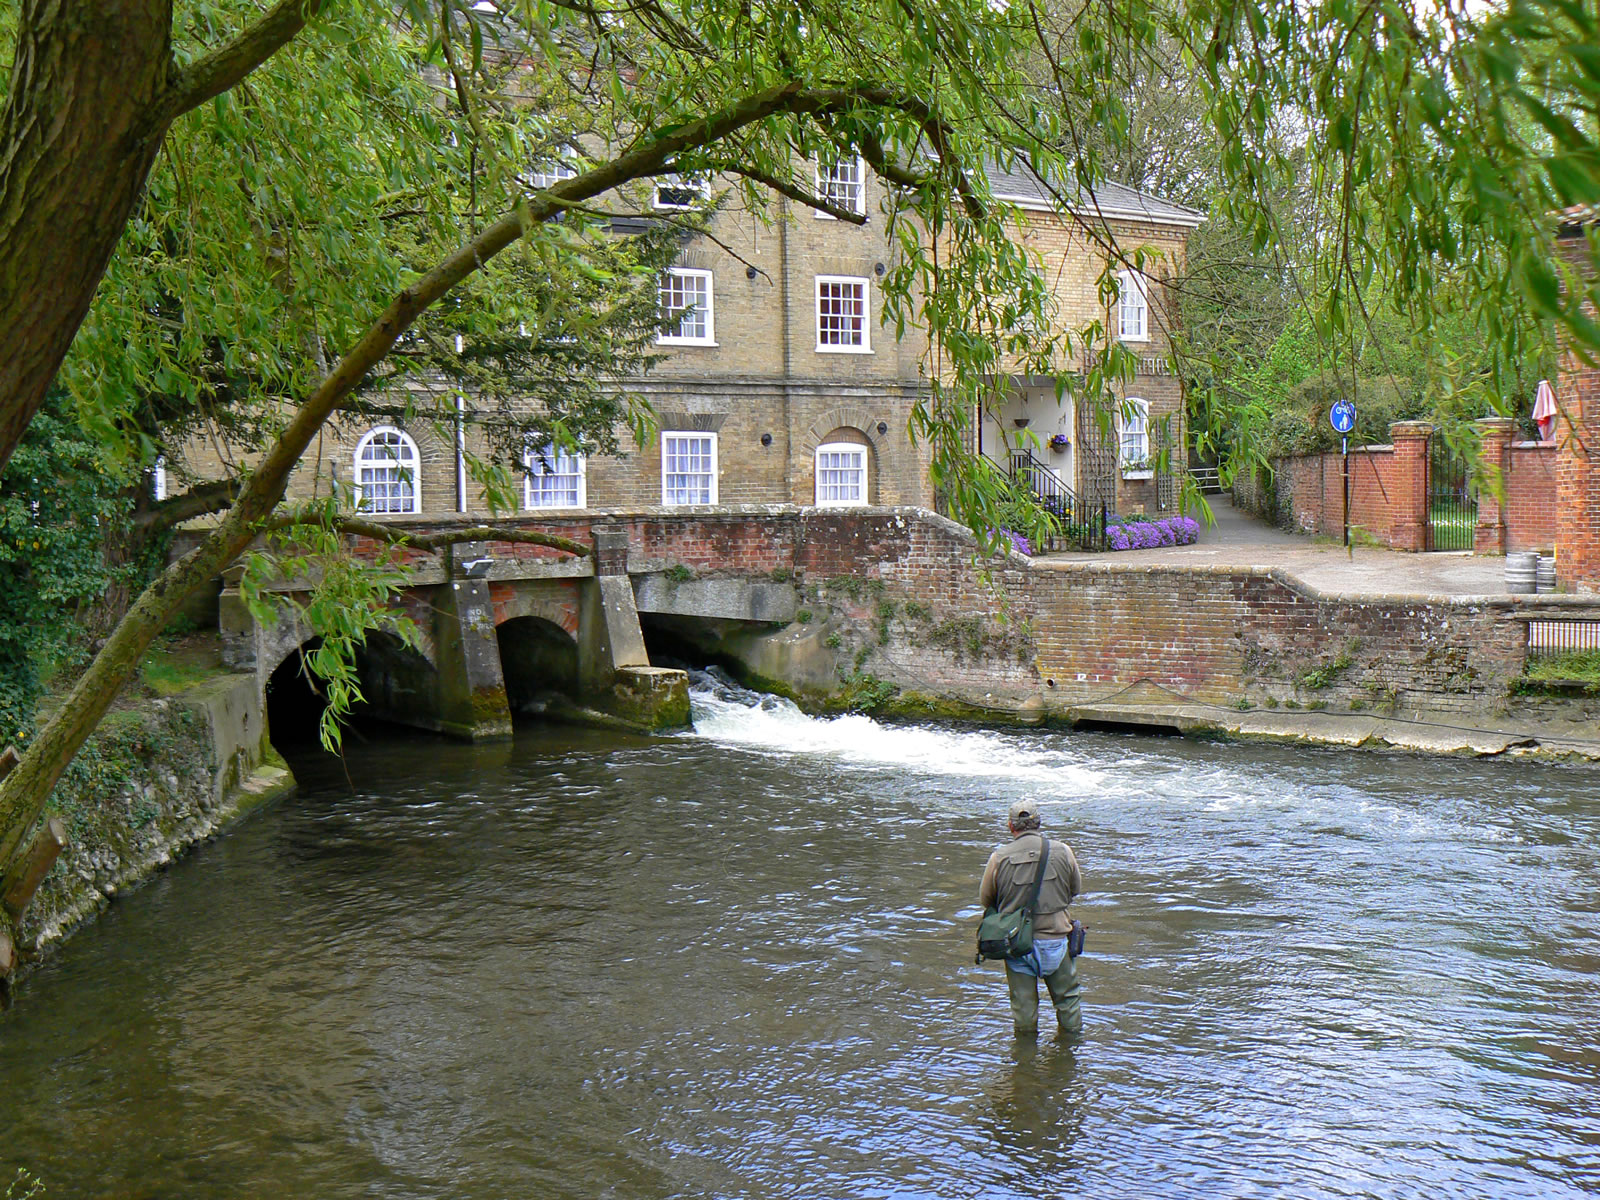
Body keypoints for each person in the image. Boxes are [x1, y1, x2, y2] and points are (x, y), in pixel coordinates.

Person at [978, 798, 1083, 1037]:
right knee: (1068, 1001)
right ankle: (1071, 1058)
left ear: (1010, 826)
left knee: (1023, 1009)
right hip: (1056, 940)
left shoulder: (998, 857)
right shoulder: (1063, 851)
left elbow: (986, 900)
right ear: (1039, 823)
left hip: (1016, 943)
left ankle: (1024, 1063)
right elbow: (1075, 889)